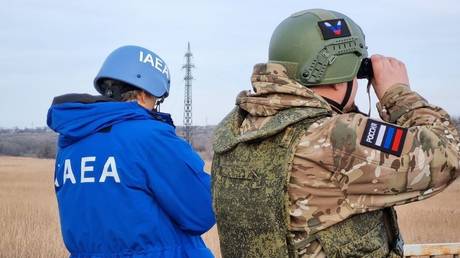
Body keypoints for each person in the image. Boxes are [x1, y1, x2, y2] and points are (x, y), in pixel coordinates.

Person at [211, 9, 460, 258]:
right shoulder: (335, 140)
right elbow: (448, 154)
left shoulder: (239, 127)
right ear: (339, 78)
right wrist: (398, 94)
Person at [47, 45, 215, 258]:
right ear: (144, 94)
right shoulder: (150, 136)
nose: (155, 107)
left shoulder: (70, 144)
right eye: (157, 100)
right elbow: (201, 211)